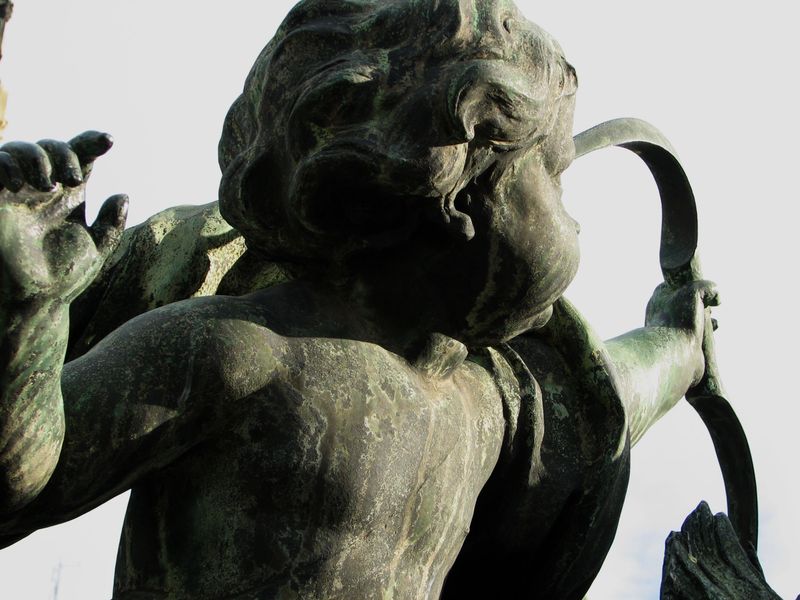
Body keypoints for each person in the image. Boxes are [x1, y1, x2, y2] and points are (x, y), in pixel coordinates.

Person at [0, 1, 716, 598]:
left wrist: (677, 347)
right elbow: (28, 481)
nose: (574, 219)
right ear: (460, 188)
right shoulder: (235, 351)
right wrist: (26, 315)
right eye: (554, 176)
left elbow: (603, 404)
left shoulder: (484, 407)